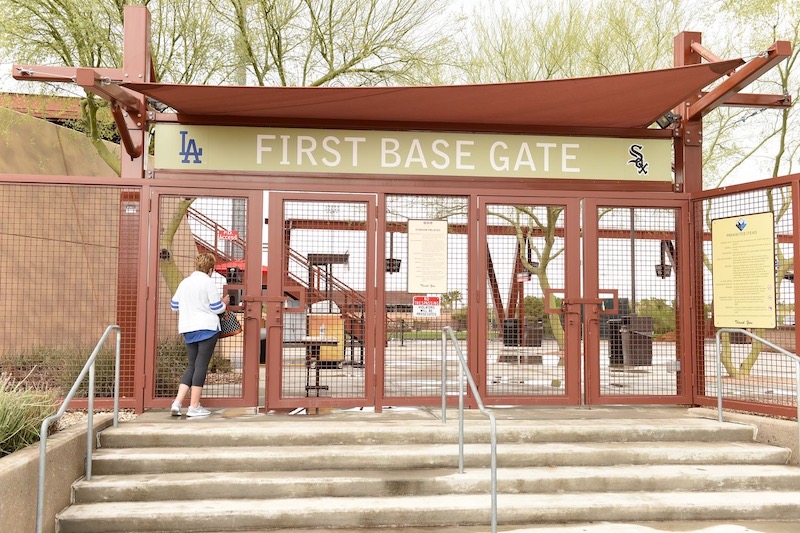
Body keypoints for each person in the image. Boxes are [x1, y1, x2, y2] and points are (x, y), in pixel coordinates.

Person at [169, 253, 229, 417]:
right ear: (210, 269)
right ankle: (194, 406)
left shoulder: (185, 283)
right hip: (207, 328)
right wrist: (225, 302)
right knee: (201, 366)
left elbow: (174, 305)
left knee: (192, 365)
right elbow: (217, 308)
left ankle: (177, 402)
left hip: (188, 328)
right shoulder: (208, 282)